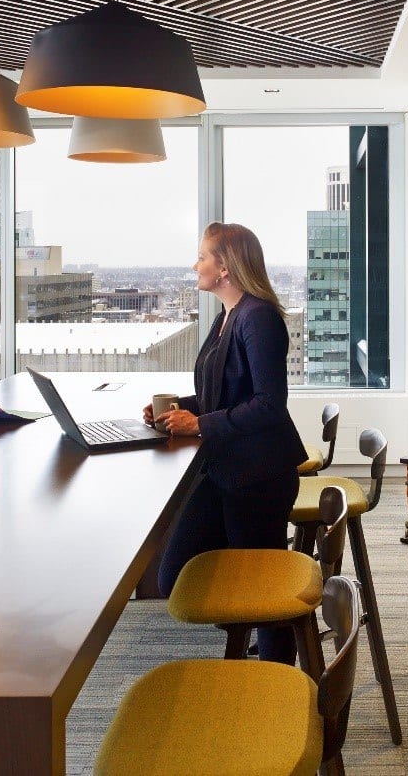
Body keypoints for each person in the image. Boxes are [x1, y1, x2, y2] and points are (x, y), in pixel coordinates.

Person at [147, 221, 307, 665]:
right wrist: (178, 408)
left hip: (258, 475)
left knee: (262, 585)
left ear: (225, 267)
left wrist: (199, 424)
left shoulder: (258, 318)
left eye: (202, 256)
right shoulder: (227, 316)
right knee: (173, 574)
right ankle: (260, 630)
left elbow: (269, 405)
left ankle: (278, 667)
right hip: (226, 470)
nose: (195, 264)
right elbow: (224, 391)